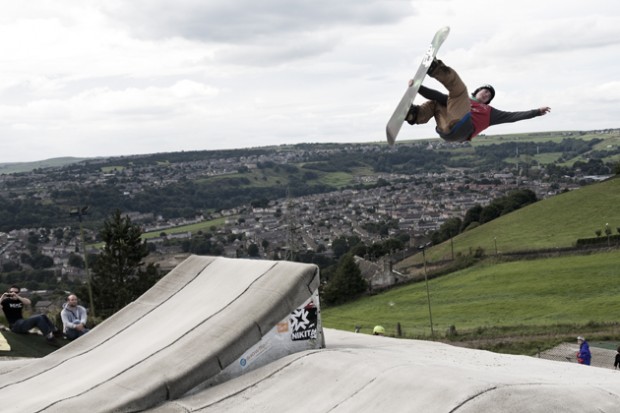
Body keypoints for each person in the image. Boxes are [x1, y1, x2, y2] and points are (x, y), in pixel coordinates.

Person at [405, 58, 551, 143]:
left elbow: (513, 116)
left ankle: (436, 68)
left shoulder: (490, 112)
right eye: (485, 91)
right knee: (437, 103)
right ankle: (414, 115)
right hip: (445, 130)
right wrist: (418, 87)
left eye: (490, 96)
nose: (487, 94)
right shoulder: (463, 101)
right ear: (478, 91)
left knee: (459, 91)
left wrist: (537, 112)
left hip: (463, 129)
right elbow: (439, 97)